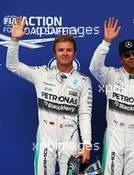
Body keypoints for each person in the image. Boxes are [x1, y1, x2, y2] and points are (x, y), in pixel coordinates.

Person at [6, 16, 93, 175]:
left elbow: (85, 114)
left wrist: (87, 146)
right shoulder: (41, 74)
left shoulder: (83, 81)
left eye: (69, 50)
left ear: (75, 52)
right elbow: (12, 65)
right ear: (54, 53)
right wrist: (14, 40)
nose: (65, 53)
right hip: (46, 139)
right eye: (61, 50)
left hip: (70, 139)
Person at [89, 17, 134, 175]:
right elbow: (94, 67)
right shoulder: (111, 76)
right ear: (121, 58)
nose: (131, 57)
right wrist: (106, 42)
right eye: (127, 54)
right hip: (114, 134)